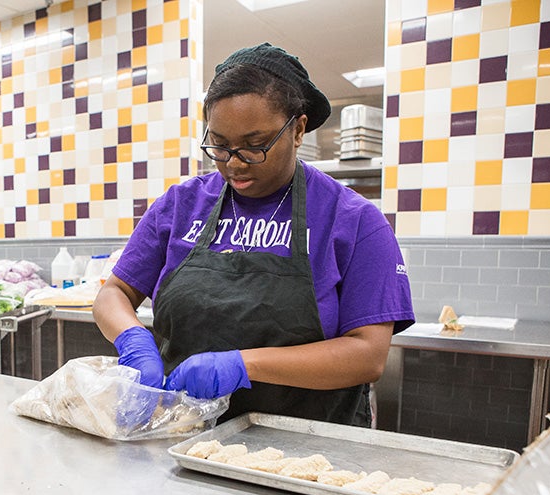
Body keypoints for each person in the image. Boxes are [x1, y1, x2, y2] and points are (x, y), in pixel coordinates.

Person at [93, 43, 415, 427]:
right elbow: (114, 293)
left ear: (297, 129)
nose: (234, 162)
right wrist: (132, 339)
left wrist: (243, 364)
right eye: (220, 145)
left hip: (304, 452)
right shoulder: (182, 205)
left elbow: (368, 355)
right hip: (178, 436)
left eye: (255, 145)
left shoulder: (354, 221)